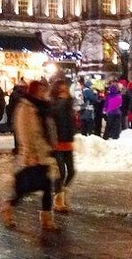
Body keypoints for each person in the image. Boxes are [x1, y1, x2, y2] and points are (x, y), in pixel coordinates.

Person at [0, 80, 59, 231]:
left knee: (47, 186)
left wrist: (53, 143)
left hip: (44, 151)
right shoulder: (25, 107)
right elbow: (23, 132)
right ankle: (8, 207)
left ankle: (47, 219)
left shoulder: (43, 106)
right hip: (33, 154)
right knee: (24, 188)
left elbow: (49, 127)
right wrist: (29, 153)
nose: (43, 92)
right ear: (34, 91)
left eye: (44, 89)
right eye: (40, 90)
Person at [49, 80, 76, 213]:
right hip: (57, 141)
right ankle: (58, 201)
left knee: (71, 171)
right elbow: (56, 117)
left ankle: (61, 194)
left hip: (67, 141)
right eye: (62, 89)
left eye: (66, 88)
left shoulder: (68, 104)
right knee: (60, 172)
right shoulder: (55, 104)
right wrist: (64, 100)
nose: (64, 90)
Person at [6, 80, 27, 154]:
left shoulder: (14, 94)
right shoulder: (27, 93)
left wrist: (9, 117)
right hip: (24, 115)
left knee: (17, 132)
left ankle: (17, 148)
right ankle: (23, 147)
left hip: (15, 114)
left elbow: (10, 106)